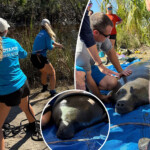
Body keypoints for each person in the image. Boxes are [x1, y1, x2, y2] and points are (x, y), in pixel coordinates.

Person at [75, 13, 132, 102]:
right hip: (80, 69)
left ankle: (93, 87)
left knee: (113, 82)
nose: (108, 37)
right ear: (95, 32)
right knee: (81, 81)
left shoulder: (103, 36)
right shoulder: (81, 49)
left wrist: (121, 71)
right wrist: (100, 96)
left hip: (92, 66)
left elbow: (110, 52)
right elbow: (88, 76)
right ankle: (86, 89)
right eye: (107, 35)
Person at [0, 18, 36, 150]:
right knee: (26, 106)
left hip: (6, 90)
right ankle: (33, 127)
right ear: (6, 31)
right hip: (22, 83)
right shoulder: (13, 42)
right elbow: (24, 55)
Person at [31, 19, 63, 97]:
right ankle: (53, 92)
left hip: (33, 57)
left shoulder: (41, 33)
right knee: (52, 73)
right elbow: (50, 47)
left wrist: (59, 45)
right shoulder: (47, 34)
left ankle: (44, 87)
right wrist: (55, 47)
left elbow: (51, 42)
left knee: (44, 72)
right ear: (49, 25)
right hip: (40, 58)